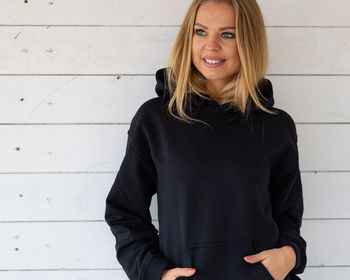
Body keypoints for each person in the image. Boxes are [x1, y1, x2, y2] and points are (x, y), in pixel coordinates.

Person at [104, 0, 307, 279]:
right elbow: (124, 210)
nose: (211, 46)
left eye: (227, 34)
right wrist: (153, 271)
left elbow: (288, 213)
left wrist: (291, 253)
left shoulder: (275, 125)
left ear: (249, 42)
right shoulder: (156, 120)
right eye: (200, 32)